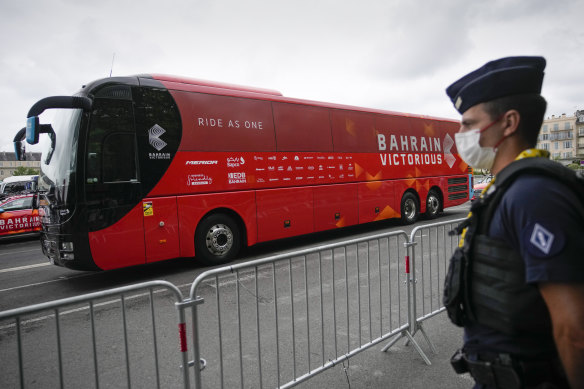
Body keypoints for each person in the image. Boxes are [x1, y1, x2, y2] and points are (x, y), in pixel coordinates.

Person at [443, 56, 584, 388]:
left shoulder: (533, 195)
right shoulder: (508, 189)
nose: (458, 134)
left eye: (468, 123)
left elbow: (574, 330)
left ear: (508, 123)